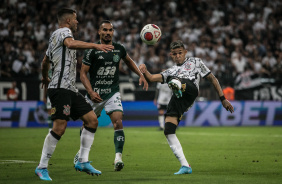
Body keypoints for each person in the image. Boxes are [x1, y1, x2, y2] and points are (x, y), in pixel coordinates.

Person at [35, 8, 114, 181]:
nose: (77, 22)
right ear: (69, 21)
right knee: (59, 127)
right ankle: (41, 167)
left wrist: (44, 77)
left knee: (92, 120)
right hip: (60, 88)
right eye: (76, 19)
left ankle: (83, 161)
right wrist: (95, 45)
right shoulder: (64, 32)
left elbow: (45, 61)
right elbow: (70, 44)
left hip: (70, 88)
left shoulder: (53, 37)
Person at [139, 40, 234, 175]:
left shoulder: (196, 62)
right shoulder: (170, 70)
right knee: (168, 131)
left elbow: (213, 79)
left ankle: (178, 86)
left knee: (174, 80)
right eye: (175, 54)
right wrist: (143, 70)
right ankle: (185, 166)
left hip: (191, 89)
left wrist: (223, 98)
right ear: (171, 55)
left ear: (185, 53)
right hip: (179, 100)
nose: (178, 56)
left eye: (180, 53)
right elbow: (151, 78)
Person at [73, 20, 148, 172]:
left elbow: (129, 61)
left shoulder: (119, 48)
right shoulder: (92, 50)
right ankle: (81, 154)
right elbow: (82, 74)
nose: (108, 33)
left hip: (112, 92)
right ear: (99, 32)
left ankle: (118, 158)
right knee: (87, 125)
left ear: (113, 32)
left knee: (118, 122)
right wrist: (91, 92)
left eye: (110, 30)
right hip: (95, 94)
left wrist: (140, 74)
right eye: (105, 30)